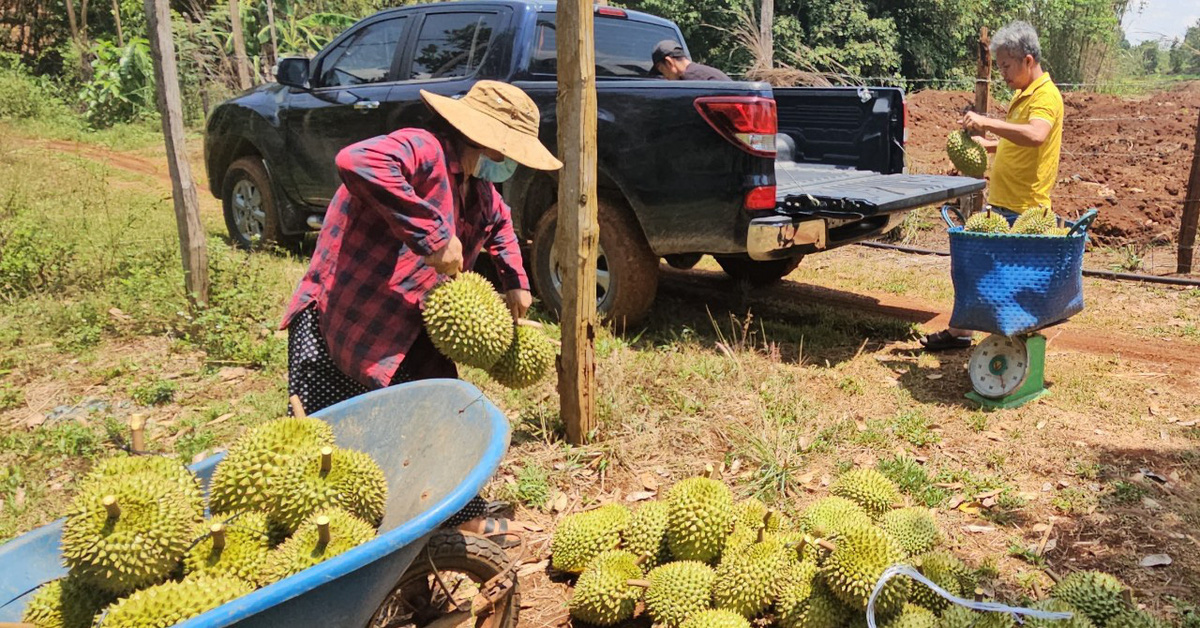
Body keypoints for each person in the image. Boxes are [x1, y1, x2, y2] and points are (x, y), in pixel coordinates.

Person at [279, 80, 563, 542]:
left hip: (408, 327)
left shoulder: (477, 188)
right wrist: (432, 236)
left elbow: (501, 222)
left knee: (441, 410)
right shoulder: (422, 148)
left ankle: (449, 513)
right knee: (327, 447)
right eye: (508, 149)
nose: (509, 161)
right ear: (488, 141)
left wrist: (515, 281)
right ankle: (337, 542)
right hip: (347, 316)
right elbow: (358, 160)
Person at [921, 20, 1064, 351]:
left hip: (1023, 208)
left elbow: (1036, 135)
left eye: (1006, 65)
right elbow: (1022, 141)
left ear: (1028, 60)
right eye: (999, 66)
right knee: (976, 269)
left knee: (1000, 277)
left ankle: (1006, 346)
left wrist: (987, 122)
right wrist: (986, 145)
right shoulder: (1024, 94)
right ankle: (962, 332)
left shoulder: (1044, 96)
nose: (1003, 73)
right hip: (1005, 202)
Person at [650, 40, 732, 80]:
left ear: (669, 62)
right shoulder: (704, 72)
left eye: (661, 70)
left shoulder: (691, 78)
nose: (665, 77)